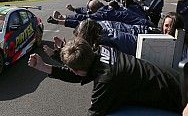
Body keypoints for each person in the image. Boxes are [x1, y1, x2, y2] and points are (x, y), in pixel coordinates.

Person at [28, 38, 183, 115]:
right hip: (180, 79)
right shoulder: (103, 51)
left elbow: (94, 113)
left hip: (181, 100)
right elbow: (81, 74)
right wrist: (44, 66)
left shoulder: (106, 80)